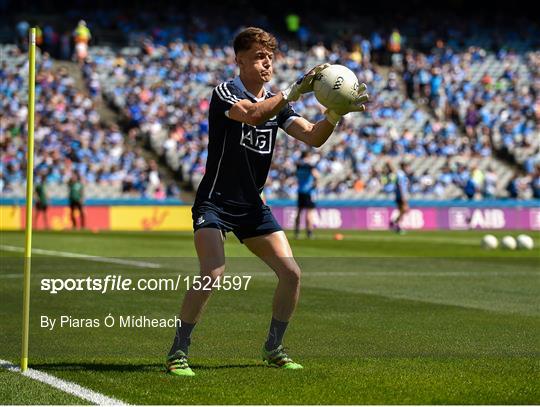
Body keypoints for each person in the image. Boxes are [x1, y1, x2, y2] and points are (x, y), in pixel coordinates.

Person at [166, 27, 369, 376]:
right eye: (259, 57)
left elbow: (313, 137)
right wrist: (293, 92)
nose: (266, 64)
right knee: (213, 272)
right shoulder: (226, 93)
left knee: (291, 273)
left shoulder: (278, 102)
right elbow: (254, 114)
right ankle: (178, 352)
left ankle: (274, 348)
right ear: (240, 60)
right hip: (214, 202)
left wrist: (335, 113)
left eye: (270, 58)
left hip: (252, 207)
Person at [294, 151, 319, 239]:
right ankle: (309, 232)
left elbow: (296, 175)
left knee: (299, 211)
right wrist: (315, 185)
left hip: (300, 191)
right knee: (309, 212)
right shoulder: (310, 166)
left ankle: (296, 232)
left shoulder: (298, 165)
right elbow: (316, 175)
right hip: (309, 191)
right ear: (308, 156)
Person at [389, 161, 410, 234]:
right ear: (404, 167)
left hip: (401, 195)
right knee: (404, 210)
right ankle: (396, 224)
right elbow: (400, 185)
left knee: (403, 210)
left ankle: (395, 224)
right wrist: (403, 196)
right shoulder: (400, 174)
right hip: (400, 195)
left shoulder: (402, 174)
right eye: (407, 167)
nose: (408, 168)